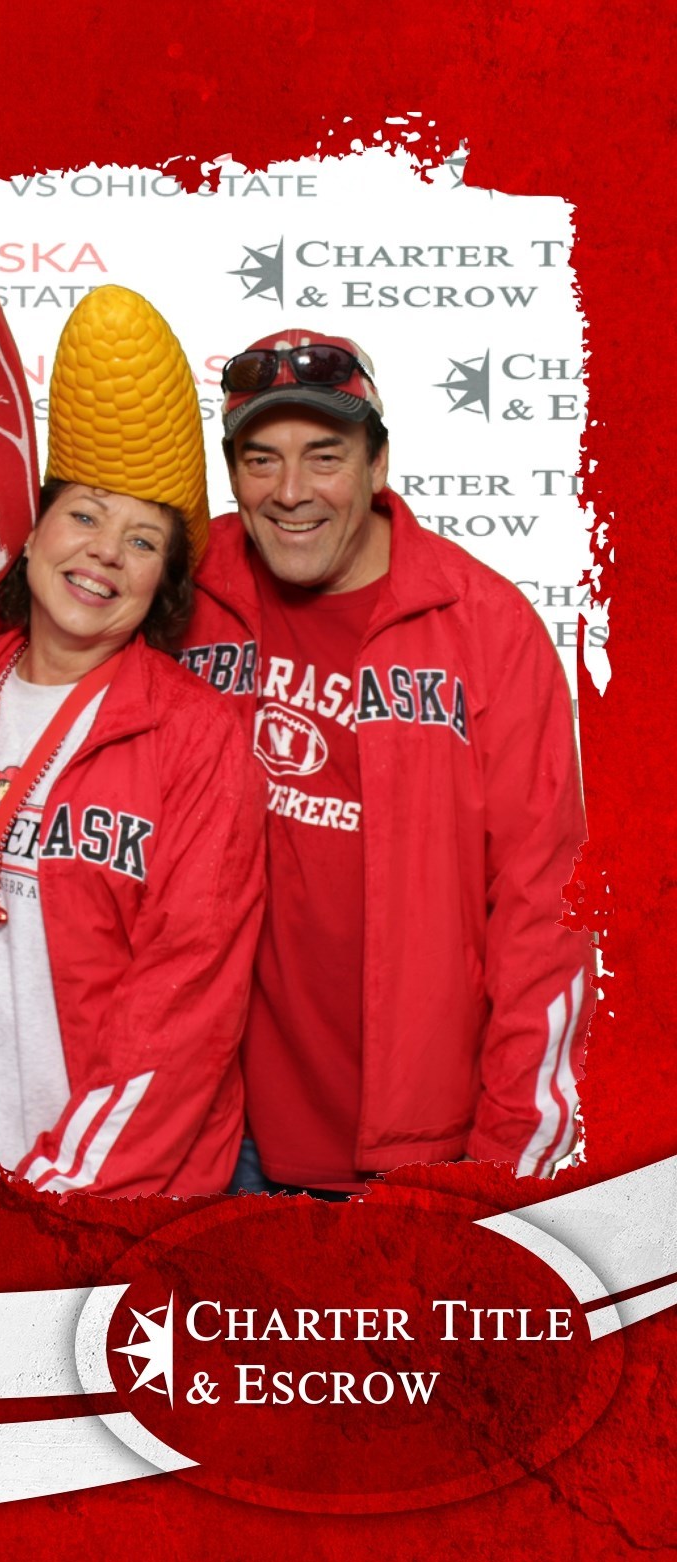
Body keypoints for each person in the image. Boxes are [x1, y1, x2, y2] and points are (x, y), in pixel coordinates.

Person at [0, 287, 266, 1207]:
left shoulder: (199, 742)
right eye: (85, 516)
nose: (105, 554)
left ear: (164, 583)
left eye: (144, 541)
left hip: (106, 1211)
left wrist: (47, 1207)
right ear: (31, 534)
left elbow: (183, 1013)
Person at [183, 329, 592, 1191]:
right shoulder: (180, 585)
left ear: (378, 465)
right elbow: (22, 668)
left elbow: (544, 916)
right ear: (232, 476)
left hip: (416, 1160)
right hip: (209, 1135)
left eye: (324, 456)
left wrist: (500, 1178)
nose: (291, 492)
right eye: (261, 460)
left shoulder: (486, 627)